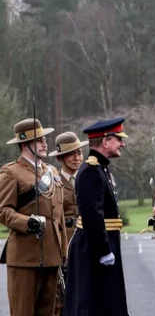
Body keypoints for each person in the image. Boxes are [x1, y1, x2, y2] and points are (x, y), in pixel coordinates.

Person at [0, 118, 67, 316]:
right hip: (25, 257)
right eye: (39, 140)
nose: (45, 143)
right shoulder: (11, 172)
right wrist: (27, 222)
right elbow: (3, 210)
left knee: (50, 312)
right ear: (25, 143)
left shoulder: (52, 172)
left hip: (53, 256)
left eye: (45, 139)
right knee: (23, 312)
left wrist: (64, 254)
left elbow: (59, 218)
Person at [64, 117, 129, 316]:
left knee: (105, 301)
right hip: (93, 250)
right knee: (92, 304)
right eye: (119, 138)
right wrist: (103, 250)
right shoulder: (91, 171)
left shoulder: (100, 168)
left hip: (102, 245)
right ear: (105, 141)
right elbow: (93, 216)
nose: (122, 143)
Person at [49, 131, 88, 316]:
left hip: (85, 238)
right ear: (60, 157)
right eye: (71, 154)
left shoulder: (87, 177)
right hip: (64, 239)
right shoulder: (52, 181)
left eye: (79, 152)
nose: (76, 157)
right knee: (61, 295)